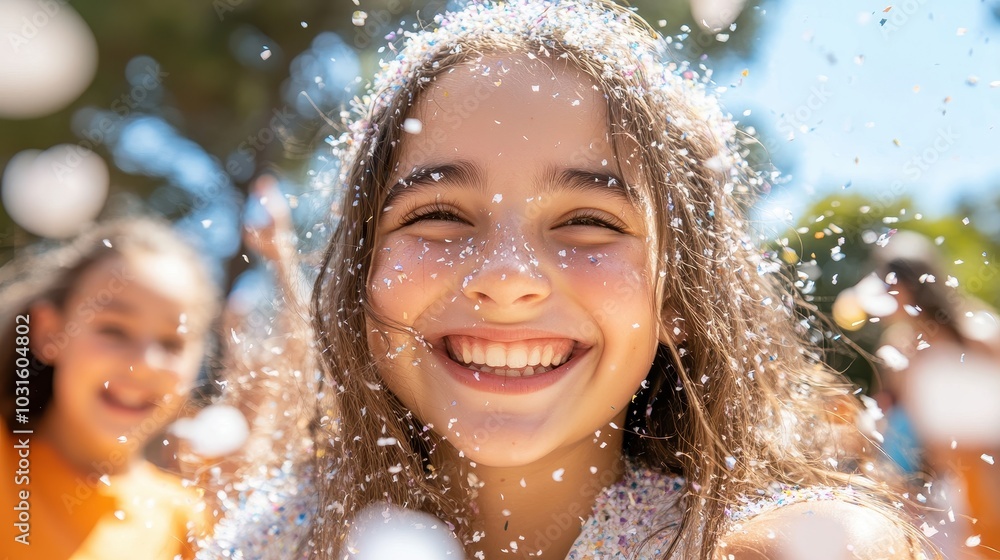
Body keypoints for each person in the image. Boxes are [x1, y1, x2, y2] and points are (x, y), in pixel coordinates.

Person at [202, 1, 941, 558]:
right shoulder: (270, 542)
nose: (506, 278)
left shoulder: (763, 545)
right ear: (362, 274)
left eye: (590, 221)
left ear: (680, 297)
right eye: (437, 215)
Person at [0, 217, 218, 560]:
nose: (146, 363)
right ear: (48, 333)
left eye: (172, 342)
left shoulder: (189, 524)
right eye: (114, 330)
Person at [838, 230, 1000, 558]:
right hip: (950, 486)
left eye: (890, 284)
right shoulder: (900, 350)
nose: (885, 295)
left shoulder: (977, 331)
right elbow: (897, 426)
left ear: (914, 283)